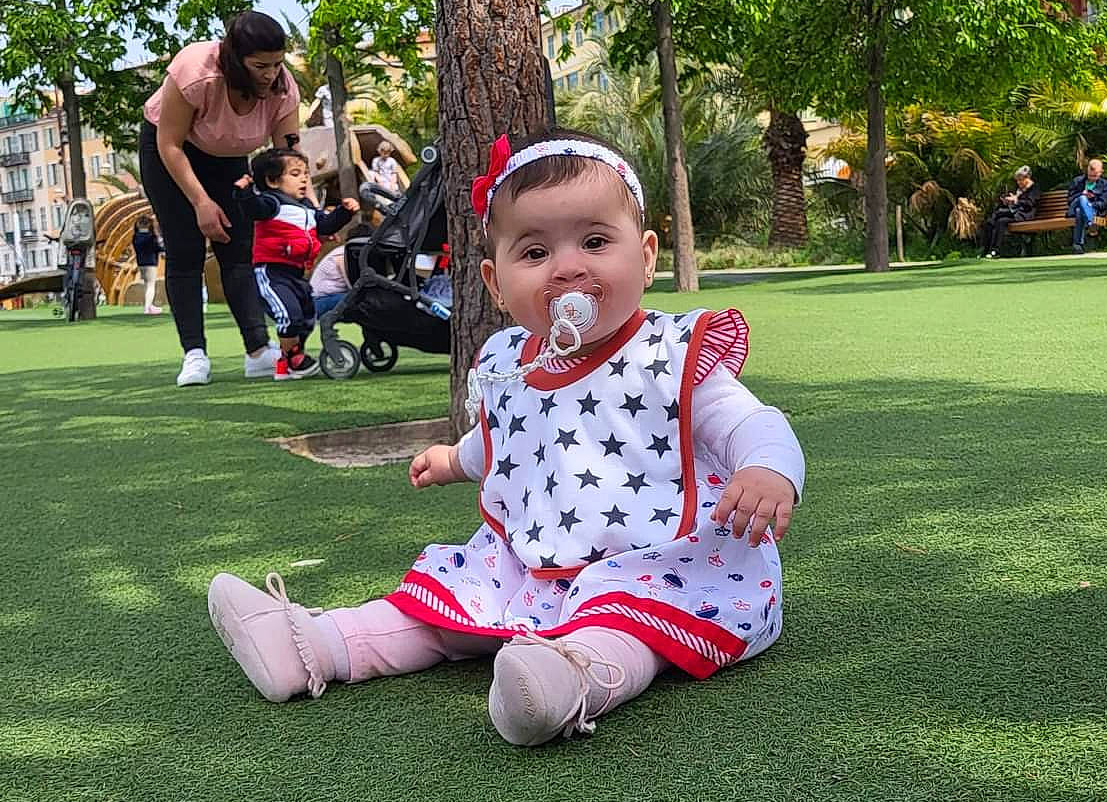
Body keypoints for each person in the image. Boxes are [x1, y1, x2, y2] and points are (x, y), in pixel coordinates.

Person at [207, 128, 805, 748]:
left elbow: (749, 421)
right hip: (531, 563)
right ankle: (316, 645)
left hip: (664, 563)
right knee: (447, 607)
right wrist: (452, 459)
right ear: (496, 284)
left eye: (595, 241)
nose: (568, 266)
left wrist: (766, 467)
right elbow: (507, 440)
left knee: (626, 628)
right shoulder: (511, 363)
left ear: (647, 256)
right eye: (535, 253)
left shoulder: (668, 354)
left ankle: (571, 680)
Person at [138, 11, 303, 387]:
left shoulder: (282, 88)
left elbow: (287, 156)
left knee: (239, 248)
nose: (271, 73)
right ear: (234, 58)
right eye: (260, 65)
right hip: (171, 153)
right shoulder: (197, 72)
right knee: (186, 248)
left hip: (227, 158)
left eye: (277, 64)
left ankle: (258, 351)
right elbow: (169, 143)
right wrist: (200, 202)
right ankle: (194, 354)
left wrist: (294, 211)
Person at [233, 146, 359, 378]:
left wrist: (344, 213)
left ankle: (289, 358)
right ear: (272, 181)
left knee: (307, 314)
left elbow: (326, 224)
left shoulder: (308, 209)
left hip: (297, 273)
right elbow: (254, 209)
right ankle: (293, 358)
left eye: (305, 174)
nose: (303, 179)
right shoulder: (272, 203)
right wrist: (245, 193)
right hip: (272, 272)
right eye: (295, 174)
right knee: (288, 314)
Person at [981, 167, 1039, 257]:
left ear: (1027, 178)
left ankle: (994, 250)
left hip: (1026, 216)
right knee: (998, 221)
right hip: (1016, 214)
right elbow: (1016, 204)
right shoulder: (1020, 191)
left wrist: (1016, 201)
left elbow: (1030, 204)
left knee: (997, 215)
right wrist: (1008, 202)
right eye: (1017, 180)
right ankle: (989, 250)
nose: (1019, 182)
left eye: (1021, 180)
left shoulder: (1034, 189)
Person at [1066, 158, 1107, 253]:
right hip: (1074, 207)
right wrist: (1082, 194)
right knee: (1082, 199)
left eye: (1095, 176)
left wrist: (1090, 203)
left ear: (1101, 172)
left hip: (1092, 209)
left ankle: (1077, 245)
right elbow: (1070, 200)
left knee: (1080, 211)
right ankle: (1090, 224)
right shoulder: (1078, 181)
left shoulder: (1104, 184)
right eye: (1090, 175)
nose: (1092, 178)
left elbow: (1103, 203)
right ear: (1087, 171)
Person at [359, 138, 409, 215]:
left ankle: (394, 205)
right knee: (371, 174)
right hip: (381, 179)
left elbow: (394, 173)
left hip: (390, 180)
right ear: (380, 151)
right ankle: (385, 205)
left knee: (394, 189)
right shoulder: (376, 160)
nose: (385, 155)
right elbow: (375, 172)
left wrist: (392, 183)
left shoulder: (392, 161)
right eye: (384, 153)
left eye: (387, 153)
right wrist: (379, 180)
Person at [309, 236, 352, 322]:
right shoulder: (342, 253)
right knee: (357, 300)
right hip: (319, 301)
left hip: (332, 297)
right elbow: (351, 284)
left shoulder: (346, 252)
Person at [131, 212, 163, 314]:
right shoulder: (151, 237)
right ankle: (147, 307)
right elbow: (157, 248)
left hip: (141, 262)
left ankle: (150, 305)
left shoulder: (135, 237)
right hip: (151, 262)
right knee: (151, 285)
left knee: (146, 284)